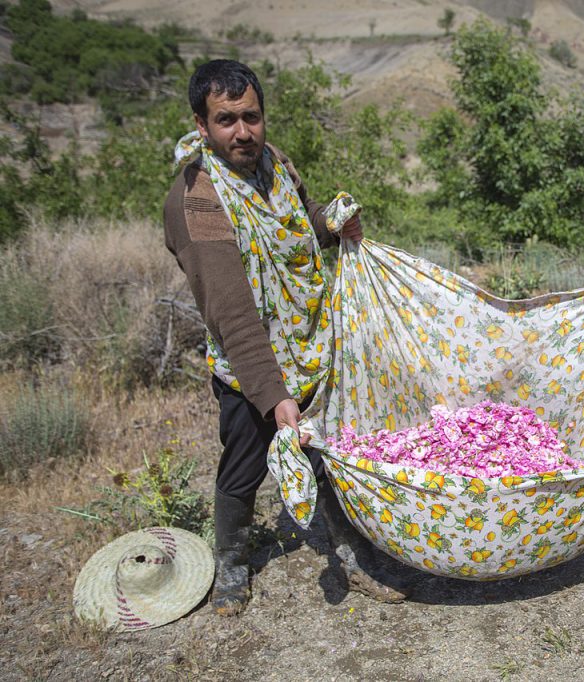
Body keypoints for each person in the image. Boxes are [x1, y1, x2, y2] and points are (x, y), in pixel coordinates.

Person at [163, 59, 408, 615]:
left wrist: (333, 222)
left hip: (309, 348)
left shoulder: (274, 165)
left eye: (251, 116)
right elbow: (231, 313)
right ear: (201, 124)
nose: (243, 132)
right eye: (226, 120)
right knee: (244, 465)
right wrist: (275, 398)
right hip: (248, 365)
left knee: (326, 455)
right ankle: (231, 563)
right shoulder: (196, 201)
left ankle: (350, 554)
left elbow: (298, 229)